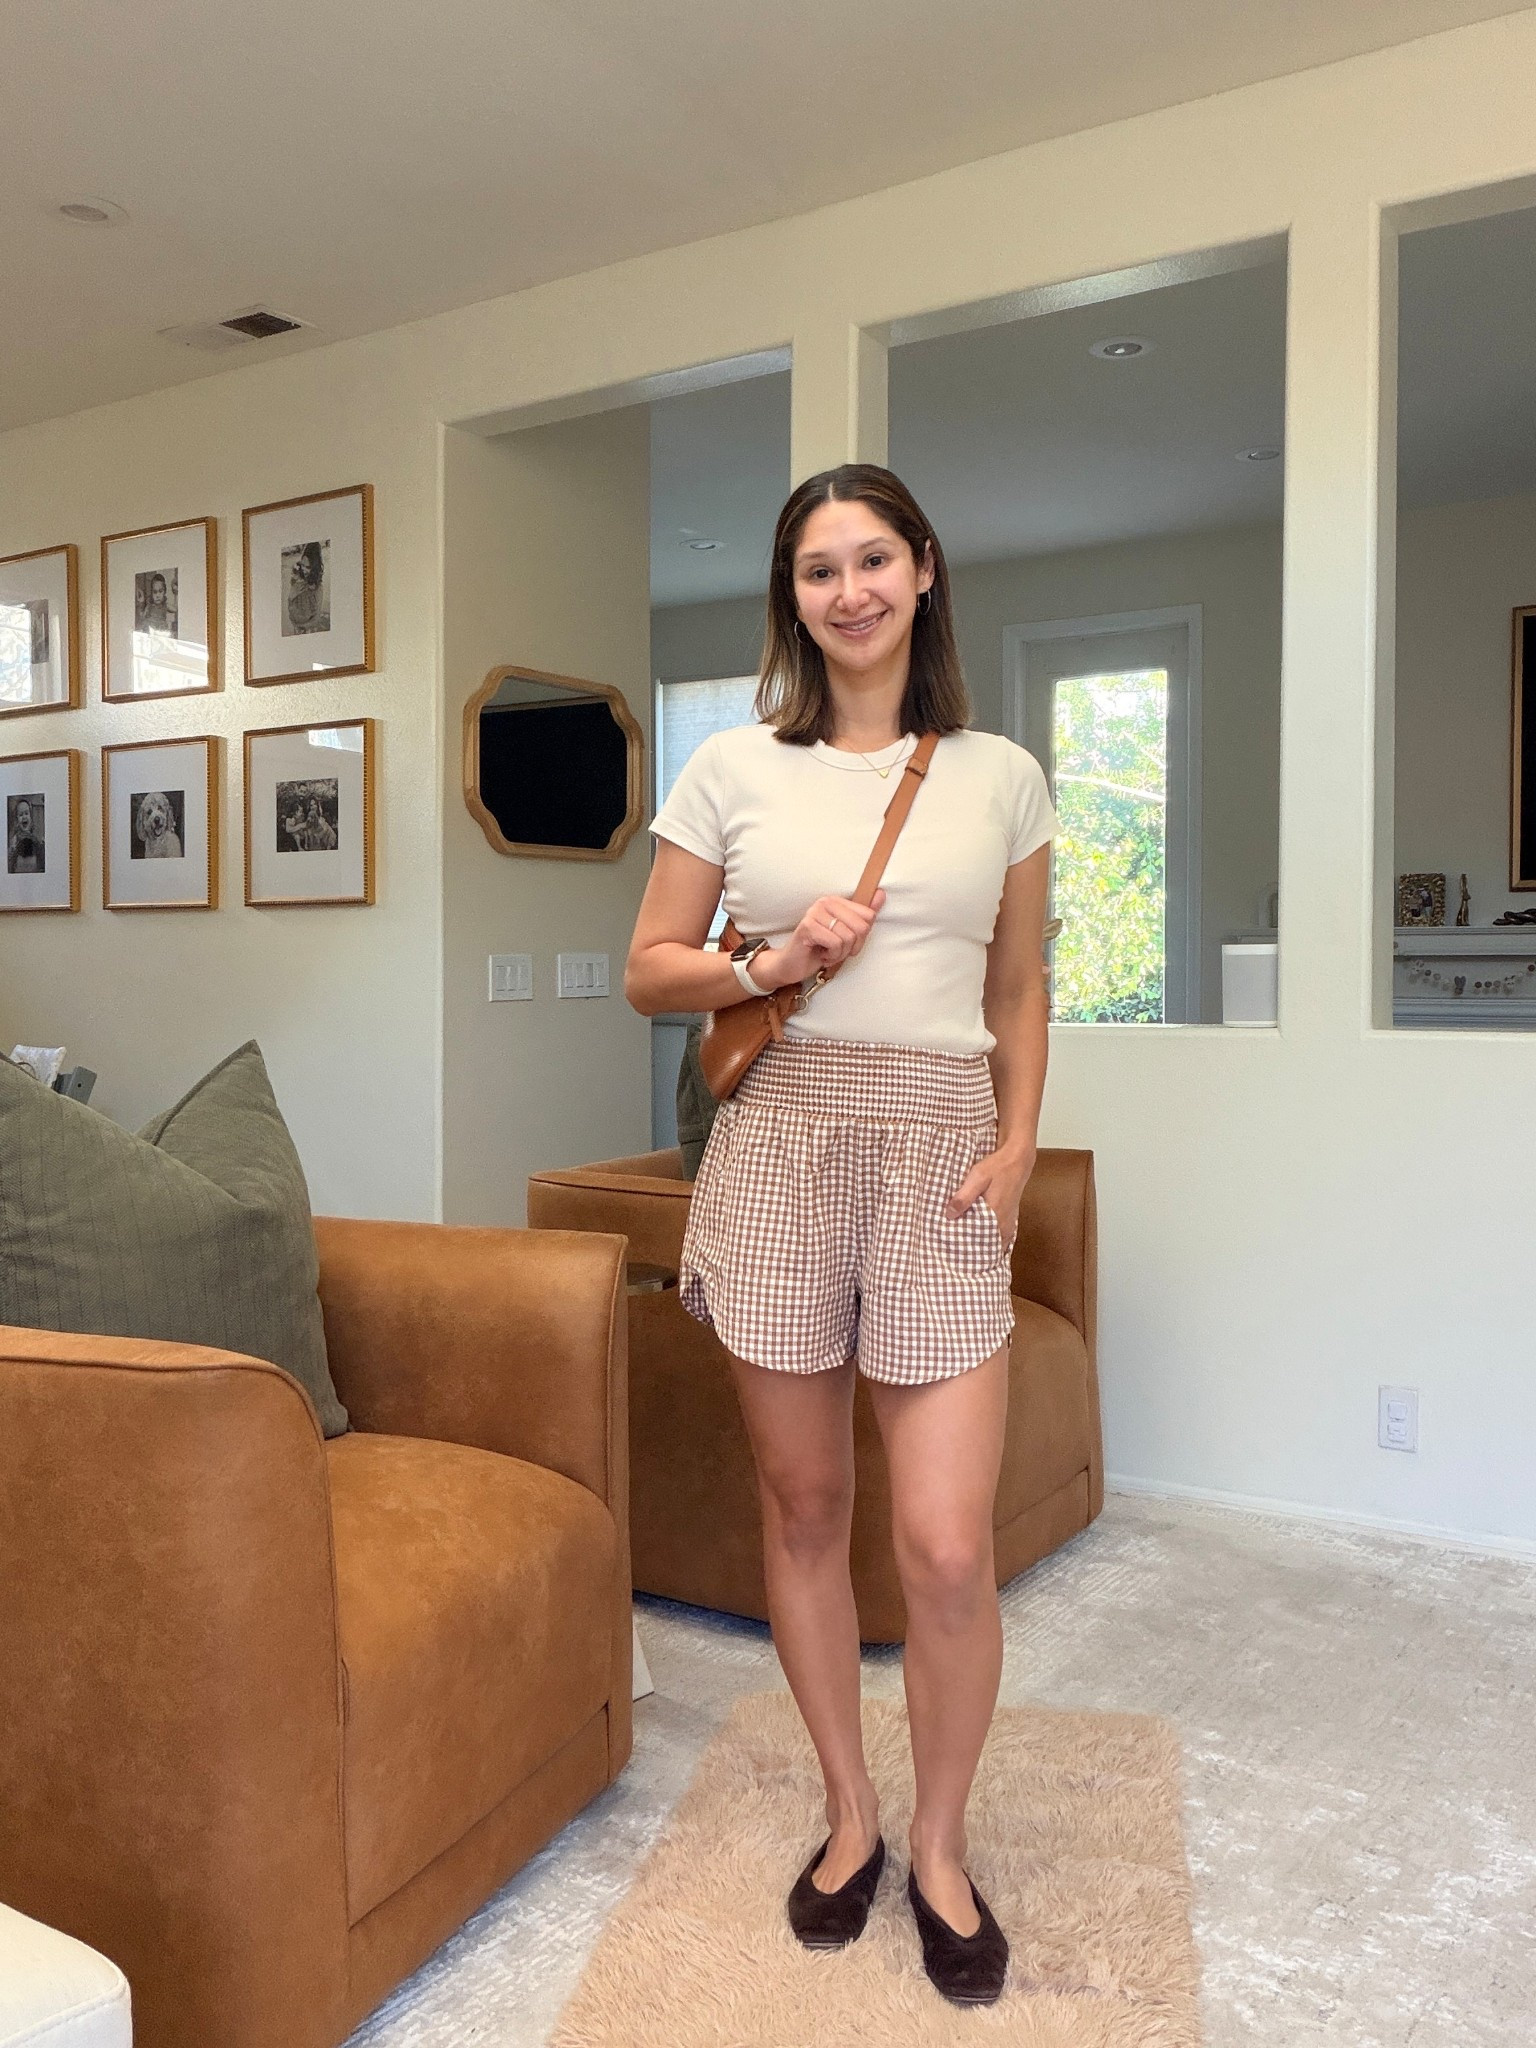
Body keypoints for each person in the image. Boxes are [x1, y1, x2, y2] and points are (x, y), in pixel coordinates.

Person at [625, 464, 1056, 2007]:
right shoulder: (732, 767)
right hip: (782, 1142)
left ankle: (939, 1846)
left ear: (925, 570)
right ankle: (852, 1815)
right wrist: (770, 959)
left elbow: (1017, 985)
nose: (850, 590)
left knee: (945, 1544)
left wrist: (1016, 1141)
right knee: (805, 1510)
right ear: (791, 597)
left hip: (940, 1147)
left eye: (874, 558)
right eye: (819, 569)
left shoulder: (1000, 775)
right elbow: (650, 969)